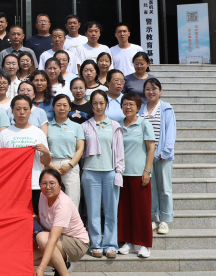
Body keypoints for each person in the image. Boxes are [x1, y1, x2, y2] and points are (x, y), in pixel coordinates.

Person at [80, 90, 125, 258]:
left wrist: (119, 172)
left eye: (101, 103)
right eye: (95, 103)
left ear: (106, 104)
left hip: (110, 172)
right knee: (93, 211)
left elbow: (119, 152)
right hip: (90, 172)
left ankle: (111, 244)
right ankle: (96, 244)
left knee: (111, 211)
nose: (99, 106)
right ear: (91, 105)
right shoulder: (85, 126)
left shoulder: (114, 125)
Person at [34, 168, 88, 276]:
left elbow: (52, 239)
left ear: (60, 184)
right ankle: (62, 266)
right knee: (29, 256)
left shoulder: (63, 204)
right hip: (58, 240)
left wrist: (41, 268)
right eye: (44, 183)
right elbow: (45, 221)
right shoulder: (42, 196)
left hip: (77, 243)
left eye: (52, 183)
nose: (48, 187)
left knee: (42, 238)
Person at [117, 92, 156, 258]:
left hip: (139, 174)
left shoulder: (144, 124)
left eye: (131, 104)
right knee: (124, 210)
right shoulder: (118, 125)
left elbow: (151, 148)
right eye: (125, 104)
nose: (128, 107)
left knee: (142, 211)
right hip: (121, 174)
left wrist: (147, 170)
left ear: (138, 107)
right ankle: (126, 241)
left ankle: (144, 244)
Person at [0, 95, 52, 214]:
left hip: (34, 183)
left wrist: (45, 152)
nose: (22, 112)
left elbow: (46, 161)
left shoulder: (38, 133)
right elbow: (0, 161)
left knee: (36, 217)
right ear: (12, 110)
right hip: (12, 184)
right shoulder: (4, 134)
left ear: (30, 111)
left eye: (25, 109)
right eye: (18, 109)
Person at [141, 78, 176, 235]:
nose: (151, 92)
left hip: (162, 155)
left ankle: (165, 220)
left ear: (160, 91)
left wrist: (166, 151)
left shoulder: (166, 108)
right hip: (146, 155)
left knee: (165, 188)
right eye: (148, 89)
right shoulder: (141, 109)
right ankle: (154, 218)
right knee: (151, 188)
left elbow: (170, 131)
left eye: (154, 88)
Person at [46, 94, 85, 209]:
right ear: (53, 108)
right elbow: (44, 149)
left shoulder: (77, 127)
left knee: (72, 201)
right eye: (58, 105)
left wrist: (70, 165)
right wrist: (51, 165)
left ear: (70, 108)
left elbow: (80, 149)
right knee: (52, 201)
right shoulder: (47, 127)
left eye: (65, 105)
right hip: (51, 165)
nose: (62, 108)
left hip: (70, 165)